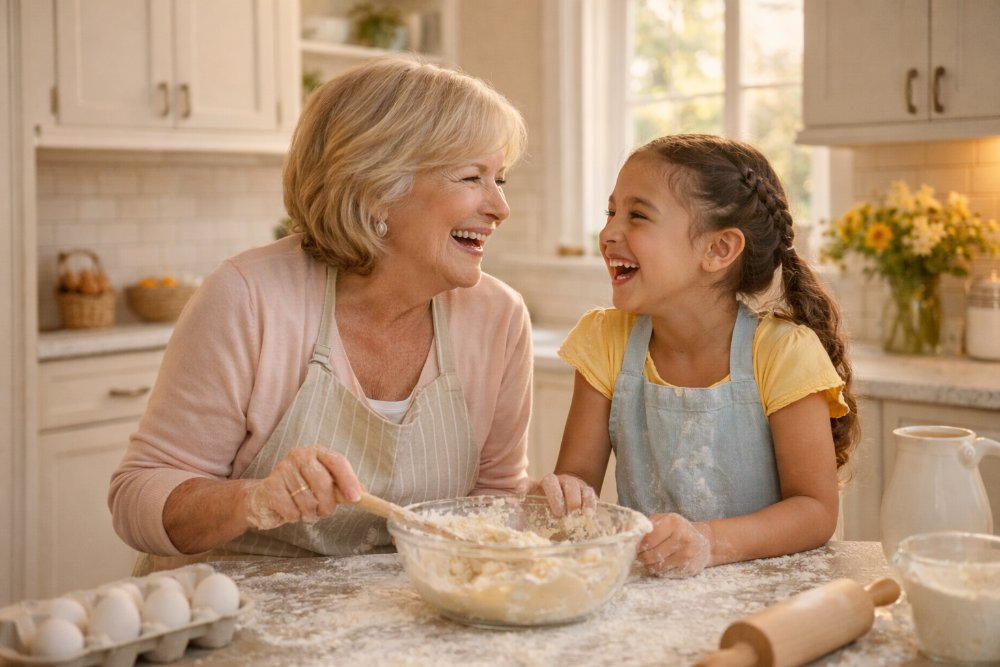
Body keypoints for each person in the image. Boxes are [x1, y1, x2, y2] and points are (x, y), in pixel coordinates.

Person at [108, 56, 531, 573]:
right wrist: (253, 500)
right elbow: (137, 499)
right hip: (223, 614)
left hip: (393, 621)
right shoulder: (249, 298)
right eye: (472, 177)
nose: (499, 208)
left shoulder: (498, 317)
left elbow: (493, 503)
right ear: (377, 188)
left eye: (500, 179)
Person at [539, 133, 858, 578]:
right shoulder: (605, 340)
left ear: (718, 249)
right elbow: (578, 482)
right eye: (611, 212)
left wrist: (707, 542)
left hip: (767, 596)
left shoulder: (783, 354)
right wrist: (561, 495)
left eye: (637, 216)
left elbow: (815, 510)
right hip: (654, 595)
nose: (609, 232)